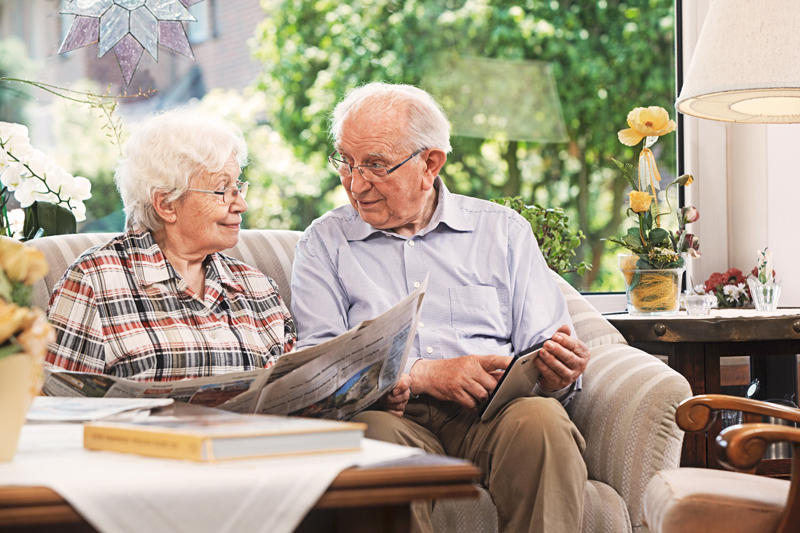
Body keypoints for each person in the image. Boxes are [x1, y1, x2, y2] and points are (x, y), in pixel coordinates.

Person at [290, 82, 590, 533]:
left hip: (493, 416)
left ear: (429, 163)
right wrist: (422, 373)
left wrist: (560, 371)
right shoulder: (323, 244)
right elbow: (321, 371)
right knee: (372, 440)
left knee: (543, 419)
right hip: (393, 418)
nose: (355, 184)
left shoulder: (503, 233)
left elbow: (546, 350)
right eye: (346, 163)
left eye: (374, 165)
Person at [46, 110, 296, 380]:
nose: (241, 205)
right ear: (166, 205)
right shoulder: (93, 282)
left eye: (238, 187)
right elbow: (53, 404)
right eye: (222, 189)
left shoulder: (259, 289)